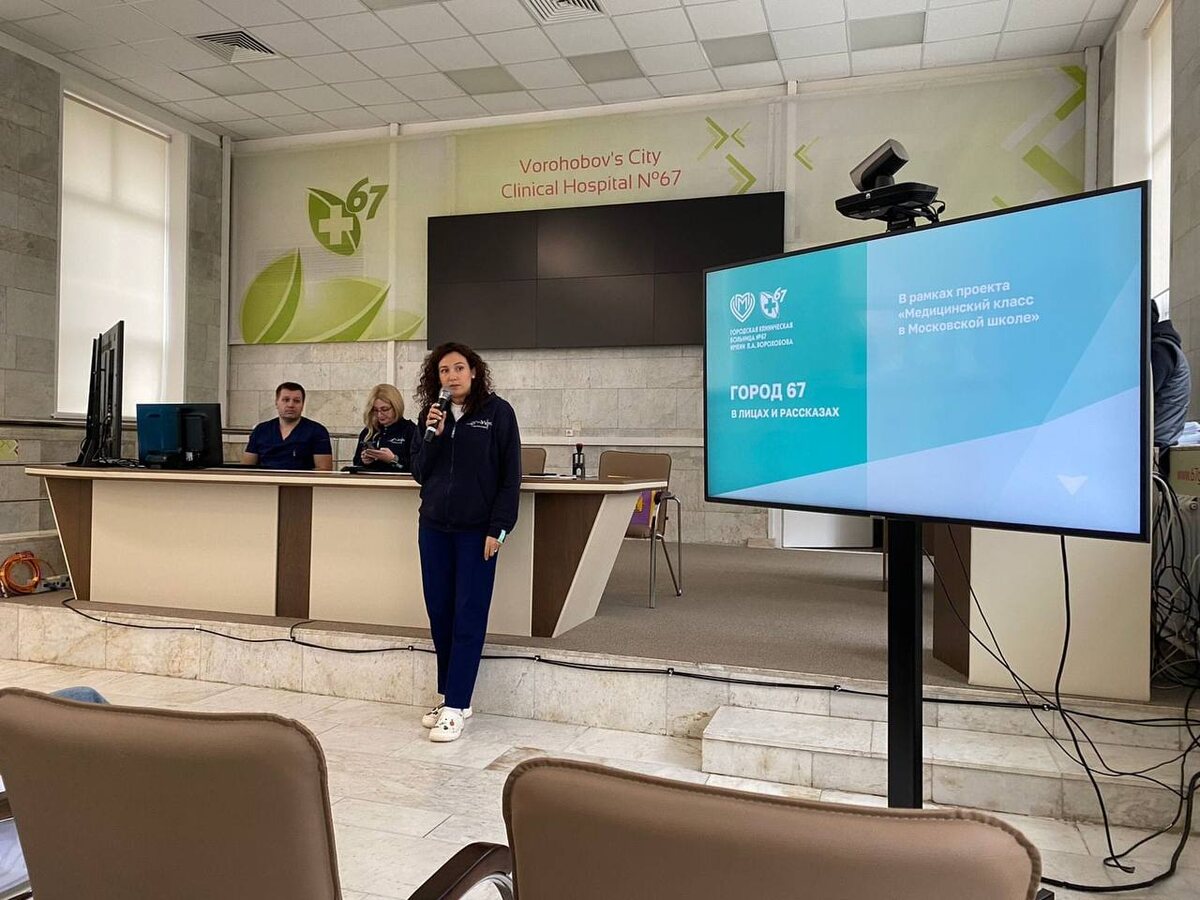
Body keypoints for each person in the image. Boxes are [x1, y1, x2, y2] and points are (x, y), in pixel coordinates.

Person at [410, 342, 521, 743]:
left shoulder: (498, 413)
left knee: (468, 614)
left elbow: (510, 476)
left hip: (477, 531)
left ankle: (456, 704)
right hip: (434, 527)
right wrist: (435, 437)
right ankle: (451, 697)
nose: (452, 376)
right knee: (440, 612)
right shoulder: (431, 415)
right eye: (444, 370)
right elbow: (419, 471)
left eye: (459, 368)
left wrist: (499, 528)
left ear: (474, 371)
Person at [243, 382, 333, 471]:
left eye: (296, 401)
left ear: (302, 405)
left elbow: (323, 470)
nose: (291, 405)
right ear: (276, 403)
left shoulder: (317, 431)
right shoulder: (261, 430)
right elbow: (246, 468)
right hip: (266, 480)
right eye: (286, 400)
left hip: (301, 480)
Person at [1151, 300, 1191, 453]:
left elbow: (1138, 399)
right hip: (1159, 442)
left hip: (1155, 445)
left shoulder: (1160, 350)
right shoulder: (1165, 347)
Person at [352, 384, 417, 472]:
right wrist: (364, 461)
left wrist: (394, 459)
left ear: (396, 407)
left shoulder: (410, 430)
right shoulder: (368, 431)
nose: (379, 415)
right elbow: (356, 464)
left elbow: (418, 467)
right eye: (375, 410)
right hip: (372, 479)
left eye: (385, 409)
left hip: (399, 480)